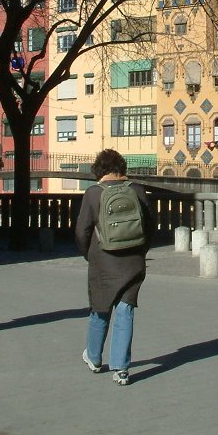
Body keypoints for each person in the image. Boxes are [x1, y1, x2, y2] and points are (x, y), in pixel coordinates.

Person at [74, 149, 153, 387]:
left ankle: (94, 357)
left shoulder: (93, 194)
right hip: (133, 261)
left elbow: (81, 231)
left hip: (102, 260)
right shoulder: (138, 191)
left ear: (99, 171)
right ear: (121, 168)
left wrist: (89, 254)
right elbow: (150, 226)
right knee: (125, 311)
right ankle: (121, 369)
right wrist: (141, 252)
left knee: (100, 308)